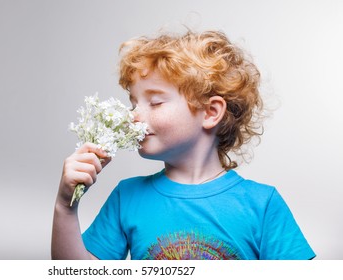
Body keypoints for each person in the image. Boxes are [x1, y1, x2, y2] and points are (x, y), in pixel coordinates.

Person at [51, 29, 315, 260]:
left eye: (154, 102)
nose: (133, 116)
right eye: (133, 104)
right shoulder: (126, 197)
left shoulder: (262, 203)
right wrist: (65, 207)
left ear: (211, 112)